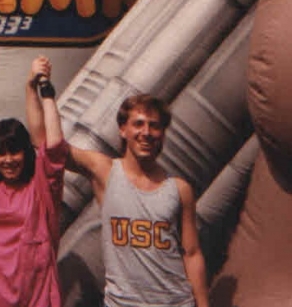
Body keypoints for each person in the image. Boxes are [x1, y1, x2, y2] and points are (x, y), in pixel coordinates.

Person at [68, 95, 209, 307]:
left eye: (154, 126)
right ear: (123, 129)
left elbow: (192, 253)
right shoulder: (105, 172)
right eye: (138, 124)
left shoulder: (179, 189)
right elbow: (47, 144)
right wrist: (36, 89)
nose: (146, 132)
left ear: (162, 134)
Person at [0, 46, 68, 307]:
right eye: (0, 154)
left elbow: (54, 145)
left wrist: (45, 89)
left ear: (27, 152)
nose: (8, 160)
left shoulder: (41, 188)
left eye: (15, 152)